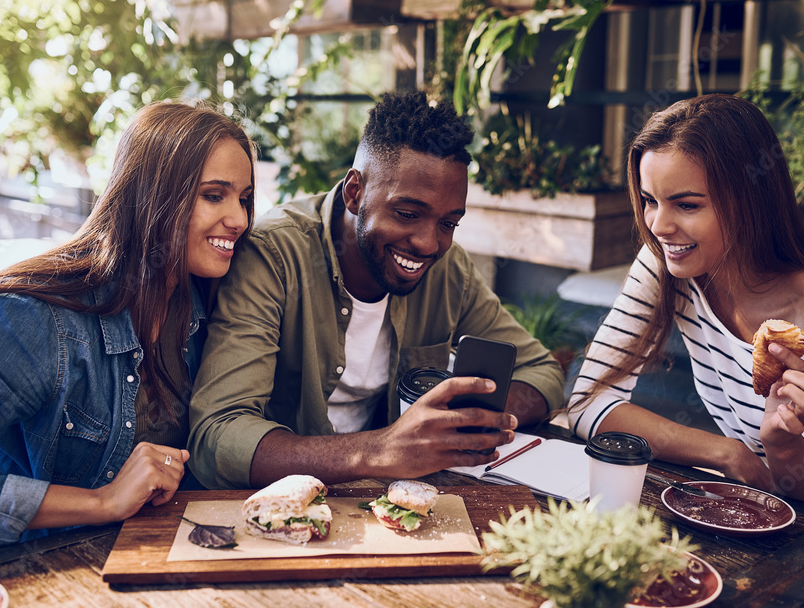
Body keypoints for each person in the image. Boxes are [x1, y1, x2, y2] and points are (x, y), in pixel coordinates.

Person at [0, 100, 256, 567]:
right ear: (152, 196)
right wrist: (102, 502)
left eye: (245, 198)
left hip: (127, 562)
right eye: (214, 195)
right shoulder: (34, 318)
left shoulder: (207, 308)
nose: (240, 219)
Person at [188, 90, 565, 489]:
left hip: (392, 502)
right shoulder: (273, 255)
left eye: (448, 223)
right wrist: (380, 450)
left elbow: (543, 372)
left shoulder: (449, 270)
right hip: (282, 505)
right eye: (407, 214)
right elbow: (218, 436)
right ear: (355, 193)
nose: (428, 244)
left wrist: (464, 424)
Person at [562, 93, 804, 525]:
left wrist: (783, 449)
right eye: (650, 200)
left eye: (687, 204)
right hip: (761, 512)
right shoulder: (668, 265)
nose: (659, 226)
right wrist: (725, 452)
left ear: (750, 201)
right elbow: (588, 405)